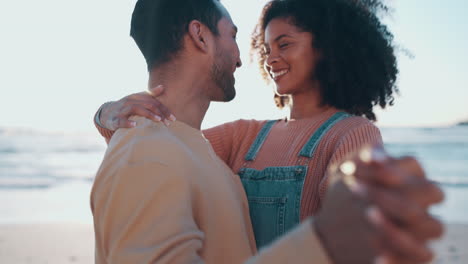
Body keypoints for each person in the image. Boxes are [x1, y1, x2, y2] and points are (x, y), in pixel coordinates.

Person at [91, 0, 444, 263]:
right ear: (199, 36)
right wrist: (108, 115)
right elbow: (160, 153)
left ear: (327, 48)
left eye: (285, 44)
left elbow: (355, 230)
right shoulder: (243, 137)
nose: (265, 58)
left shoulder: (350, 133)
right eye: (267, 47)